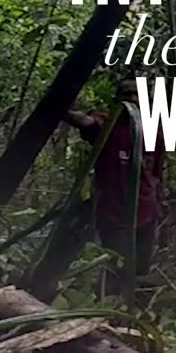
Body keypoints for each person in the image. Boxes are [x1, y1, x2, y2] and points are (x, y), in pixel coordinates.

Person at [62, 78, 165, 295]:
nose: (132, 99)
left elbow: (155, 171)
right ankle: (108, 311)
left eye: (136, 95)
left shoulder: (153, 131)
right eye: (126, 94)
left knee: (139, 268)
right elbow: (83, 122)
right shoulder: (107, 125)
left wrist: (156, 200)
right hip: (114, 214)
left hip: (146, 212)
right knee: (116, 267)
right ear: (117, 99)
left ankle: (128, 306)